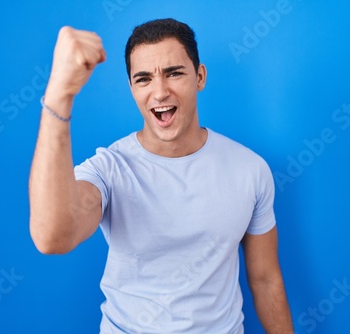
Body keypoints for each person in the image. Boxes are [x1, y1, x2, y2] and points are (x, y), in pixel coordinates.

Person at [29, 18, 294, 334]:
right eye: (143, 79)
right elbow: (51, 237)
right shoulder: (109, 169)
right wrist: (60, 95)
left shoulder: (250, 169)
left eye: (174, 73)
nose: (159, 92)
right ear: (131, 88)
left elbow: (265, 278)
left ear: (199, 77)